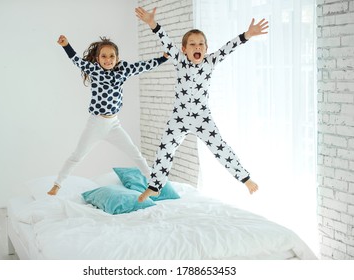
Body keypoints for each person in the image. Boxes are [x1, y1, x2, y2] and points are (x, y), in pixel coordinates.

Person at [135, 7, 269, 202]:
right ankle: (155, 186)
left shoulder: (210, 61)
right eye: (192, 44)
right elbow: (165, 39)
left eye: (200, 44)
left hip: (202, 118)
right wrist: (151, 23)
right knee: (165, 150)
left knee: (220, 148)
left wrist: (247, 34)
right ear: (184, 49)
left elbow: (228, 48)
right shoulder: (180, 60)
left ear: (206, 48)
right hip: (179, 118)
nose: (197, 47)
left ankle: (245, 178)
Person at [48, 35, 168, 195]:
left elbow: (143, 66)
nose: (108, 60)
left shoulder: (123, 70)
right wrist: (66, 45)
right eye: (103, 56)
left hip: (114, 124)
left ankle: (154, 185)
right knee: (77, 155)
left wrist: (163, 58)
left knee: (135, 153)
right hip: (96, 123)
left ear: (117, 58)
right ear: (97, 59)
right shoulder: (94, 69)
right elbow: (77, 61)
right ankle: (57, 184)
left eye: (112, 56)